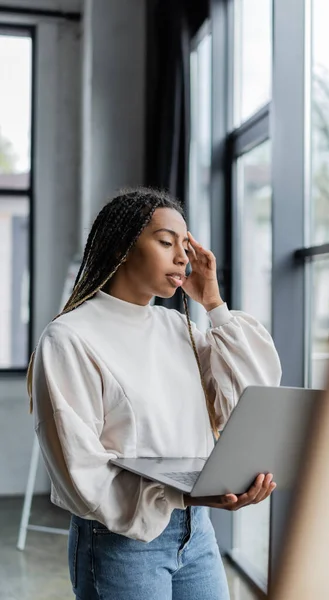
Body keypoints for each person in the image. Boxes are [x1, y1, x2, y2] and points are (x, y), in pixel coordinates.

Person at [28, 187, 282, 600]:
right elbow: (79, 472)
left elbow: (251, 393)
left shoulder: (177, 328)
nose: (183, 257)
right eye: (166, 242)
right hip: (122, 541)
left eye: (186, 245)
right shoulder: (69, 338)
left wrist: (213, 303)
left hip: (196, 531)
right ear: (123, 248)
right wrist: (183, 490)